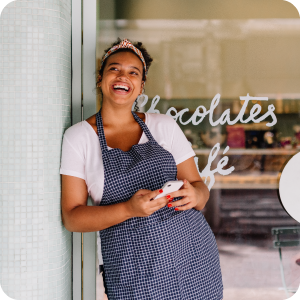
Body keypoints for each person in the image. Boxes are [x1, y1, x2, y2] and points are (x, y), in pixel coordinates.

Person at [60, 38, 223, 299]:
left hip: (192, 259)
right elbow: (72, 217)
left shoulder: (164, 126)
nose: (123, 76)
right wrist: (128, 209)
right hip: (132, 271)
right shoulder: (78, 137)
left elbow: (200, 189)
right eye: (114, 68)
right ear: (100, 78)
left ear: (141, 86)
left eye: (133, 72)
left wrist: (196, 195)